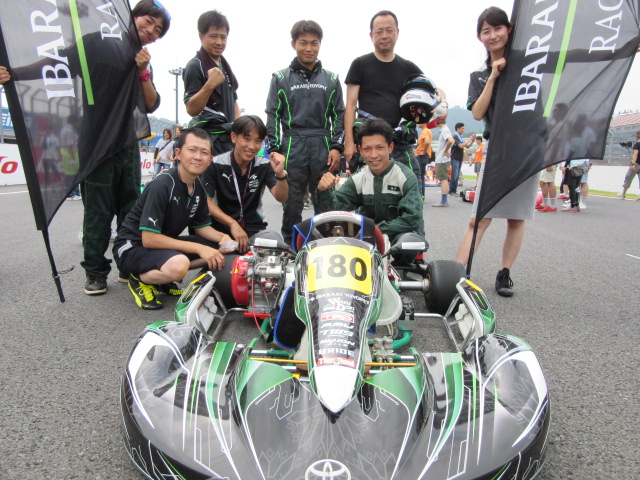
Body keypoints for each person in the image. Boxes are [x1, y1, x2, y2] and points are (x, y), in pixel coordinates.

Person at [77, 0, 170, 295]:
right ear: (132, 16)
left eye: (158, 30)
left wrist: (143, 71)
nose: (151, 30)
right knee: (98, 210)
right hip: (96, 142)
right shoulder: (96, 41)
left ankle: (127, 264)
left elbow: (151, 103)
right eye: (148, 21)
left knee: (131, 209)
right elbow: (57, 64)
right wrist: (14, 74)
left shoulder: (144, 60)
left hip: (128, 143)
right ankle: (95, 271)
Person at [454, 6, 540, 297]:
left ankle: (504, 273)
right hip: (497, 148)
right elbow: (478, 113)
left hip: (527, 147)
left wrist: (623, 48)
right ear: (479, 37)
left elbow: (569, 57)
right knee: (478, 217)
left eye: (497, 28)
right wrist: (493, 76)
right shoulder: (478, 75)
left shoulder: (529, 66)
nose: (492, 35)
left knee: (516, 218)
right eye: (486, 31)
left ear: (509, 29)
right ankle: (457, 273)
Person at [113, 128, 234, 310]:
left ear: (210, 160)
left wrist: (223, 238)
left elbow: (201, 227)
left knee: (219, 249)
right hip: (132, 246)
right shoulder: (162, 184)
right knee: (179, 265)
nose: (198, 157)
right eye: (192, 150)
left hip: (159, 246)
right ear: (178, 153)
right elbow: (149, 239)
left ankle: (161, 279)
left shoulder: (199, 188)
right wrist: (199, 248)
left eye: (204, 153)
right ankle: (139, 278)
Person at [343, 11, 446, 183]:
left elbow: (434, 90)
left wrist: (443, 102)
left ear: (397, 32)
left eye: (389, 30)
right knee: (367, 194)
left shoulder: (408, 67)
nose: (384, 35)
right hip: (371, 143)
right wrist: (349, 142)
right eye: (379, 31)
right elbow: (350, 105)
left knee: (411, 191)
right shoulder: (360, 64)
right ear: (371, 35)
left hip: (401, 143)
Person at [265, 20, 344, 242]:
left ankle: (327, 245)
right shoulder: (280, 78)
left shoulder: (331, 79)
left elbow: (339, 114)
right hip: (292, 145)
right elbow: (272, 114)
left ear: (320, 44)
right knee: (292, 204)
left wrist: (337, 147)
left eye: (314, 43)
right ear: (294, 44)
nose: (309, 48)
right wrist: (274, 149)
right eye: (303, 43)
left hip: (323, 145)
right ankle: (291, 249)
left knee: (325, 201)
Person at [315, 118, 423, 245]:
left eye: (379, 148)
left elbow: (412, 219)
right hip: (368, 238)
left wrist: (374, 229)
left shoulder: (405, 176)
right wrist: (323, 191)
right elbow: (333, 208)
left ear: (390, 147)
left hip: (394, 236)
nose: (374, 155)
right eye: (367, 149)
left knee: (408, 242)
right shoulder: (358, 178)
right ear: (360, 150)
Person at [201, 115, 289, 253]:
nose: (252, 146)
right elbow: (206, 202)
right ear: (234, 137)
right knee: (220, 263)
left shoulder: (264, 165)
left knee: (274, 251)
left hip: (254, 228)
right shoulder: (216, 164)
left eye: (258, 141)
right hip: (222, 228)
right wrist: (232, 223)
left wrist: (280, 174)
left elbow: (281, 197)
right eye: (247, 139)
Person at [183, 10, 239, 155]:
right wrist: (210, 84)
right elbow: (191, 109)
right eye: (213, 36)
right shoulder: (195, 65)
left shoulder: (225, 66)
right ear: (201, 36)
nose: (219, 42)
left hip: (228, 140)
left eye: (223, 37)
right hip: (208, 141)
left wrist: (239, 131)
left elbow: (234, 101)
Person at [432, 116, 454, 207]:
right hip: (443, 159)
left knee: (443, 179)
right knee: (444, 179)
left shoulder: (444, 130)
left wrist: (445, 151)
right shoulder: (444, 129)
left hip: (442, 159)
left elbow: (451, 140)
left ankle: (444, 201)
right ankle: (444, 200)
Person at [449, 123, 476, 196]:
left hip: (459, 158)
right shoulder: (455, 137)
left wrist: (472, 141)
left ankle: (454, 190)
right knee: (454, 175)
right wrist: (469, 139)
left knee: (457, 176)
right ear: (458, 128)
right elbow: (461, 146)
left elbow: (467, 146)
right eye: (462, 129)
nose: (463, 130)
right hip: (455, 158)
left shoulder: (460, 137)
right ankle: (451, 191)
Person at [619, 130, 640, 200]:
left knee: (628, 178)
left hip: (636, 164)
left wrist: (633, 163)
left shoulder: (637, 144)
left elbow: (635, 155)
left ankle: (623, 194)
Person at [414, 124, 433, 198]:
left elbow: (427, 142)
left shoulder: (425, 131)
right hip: (422, 156)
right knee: (421, 175)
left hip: (421, 156)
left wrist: (424, 152)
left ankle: (420, 194)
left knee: (418, 175)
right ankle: (421, 194)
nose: (418, 124)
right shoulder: (425, 131)